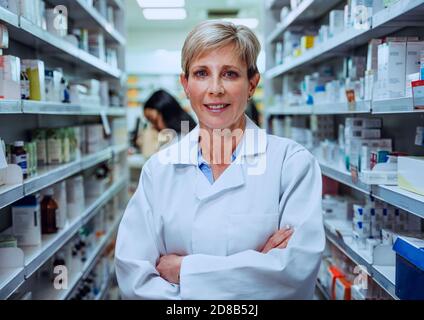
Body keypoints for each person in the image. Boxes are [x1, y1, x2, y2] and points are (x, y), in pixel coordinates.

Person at [115, 20, 325, 300]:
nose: (215, 89)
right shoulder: (159, 169)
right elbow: (134, 277)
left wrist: (183, 272)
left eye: (229, 74)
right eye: (201, 73)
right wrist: (256, 269)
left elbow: (294, 273)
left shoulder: (292, 164)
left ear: (252, 84)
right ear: (186, 84)